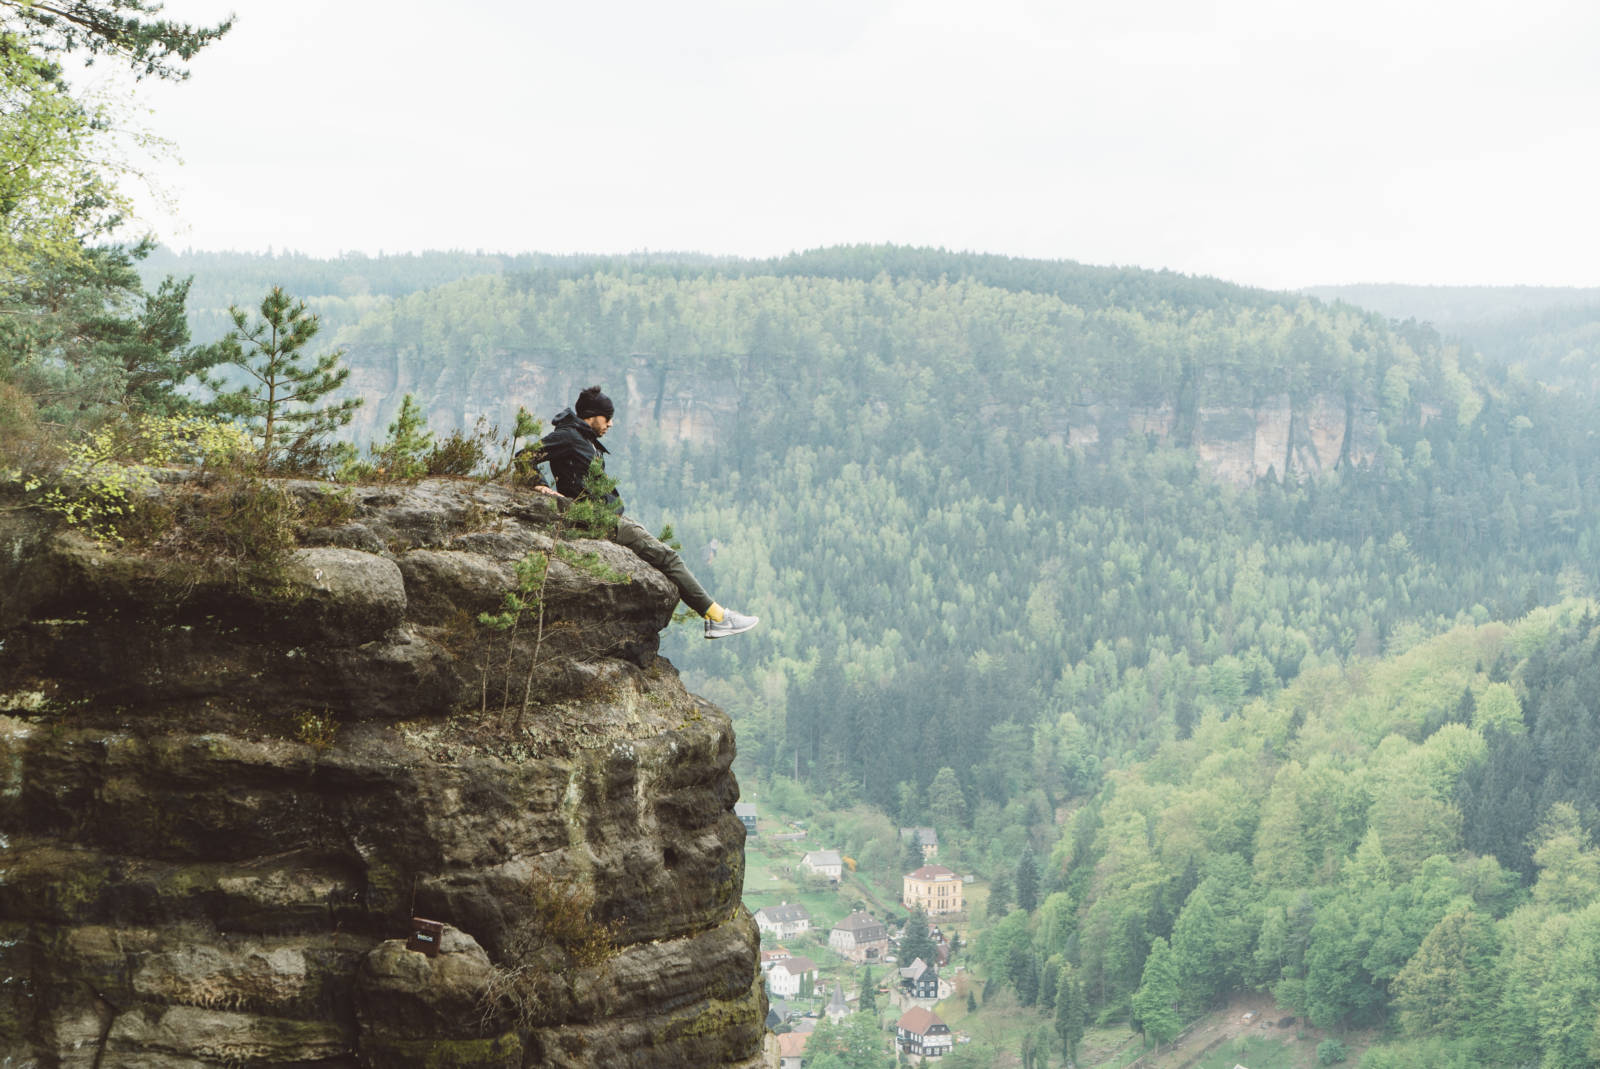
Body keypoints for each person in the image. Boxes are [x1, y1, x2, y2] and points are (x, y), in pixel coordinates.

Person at [518, 385, 759, 639]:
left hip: (603, 516)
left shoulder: (581, 438)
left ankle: (716, 616)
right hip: (595, 521)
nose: (611, 423)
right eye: (607, 417)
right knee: (669, 559)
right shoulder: (569, 436)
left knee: (660, 552)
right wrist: (541, 485)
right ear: (592, 416)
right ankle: (718, 618)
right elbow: (525, 457)